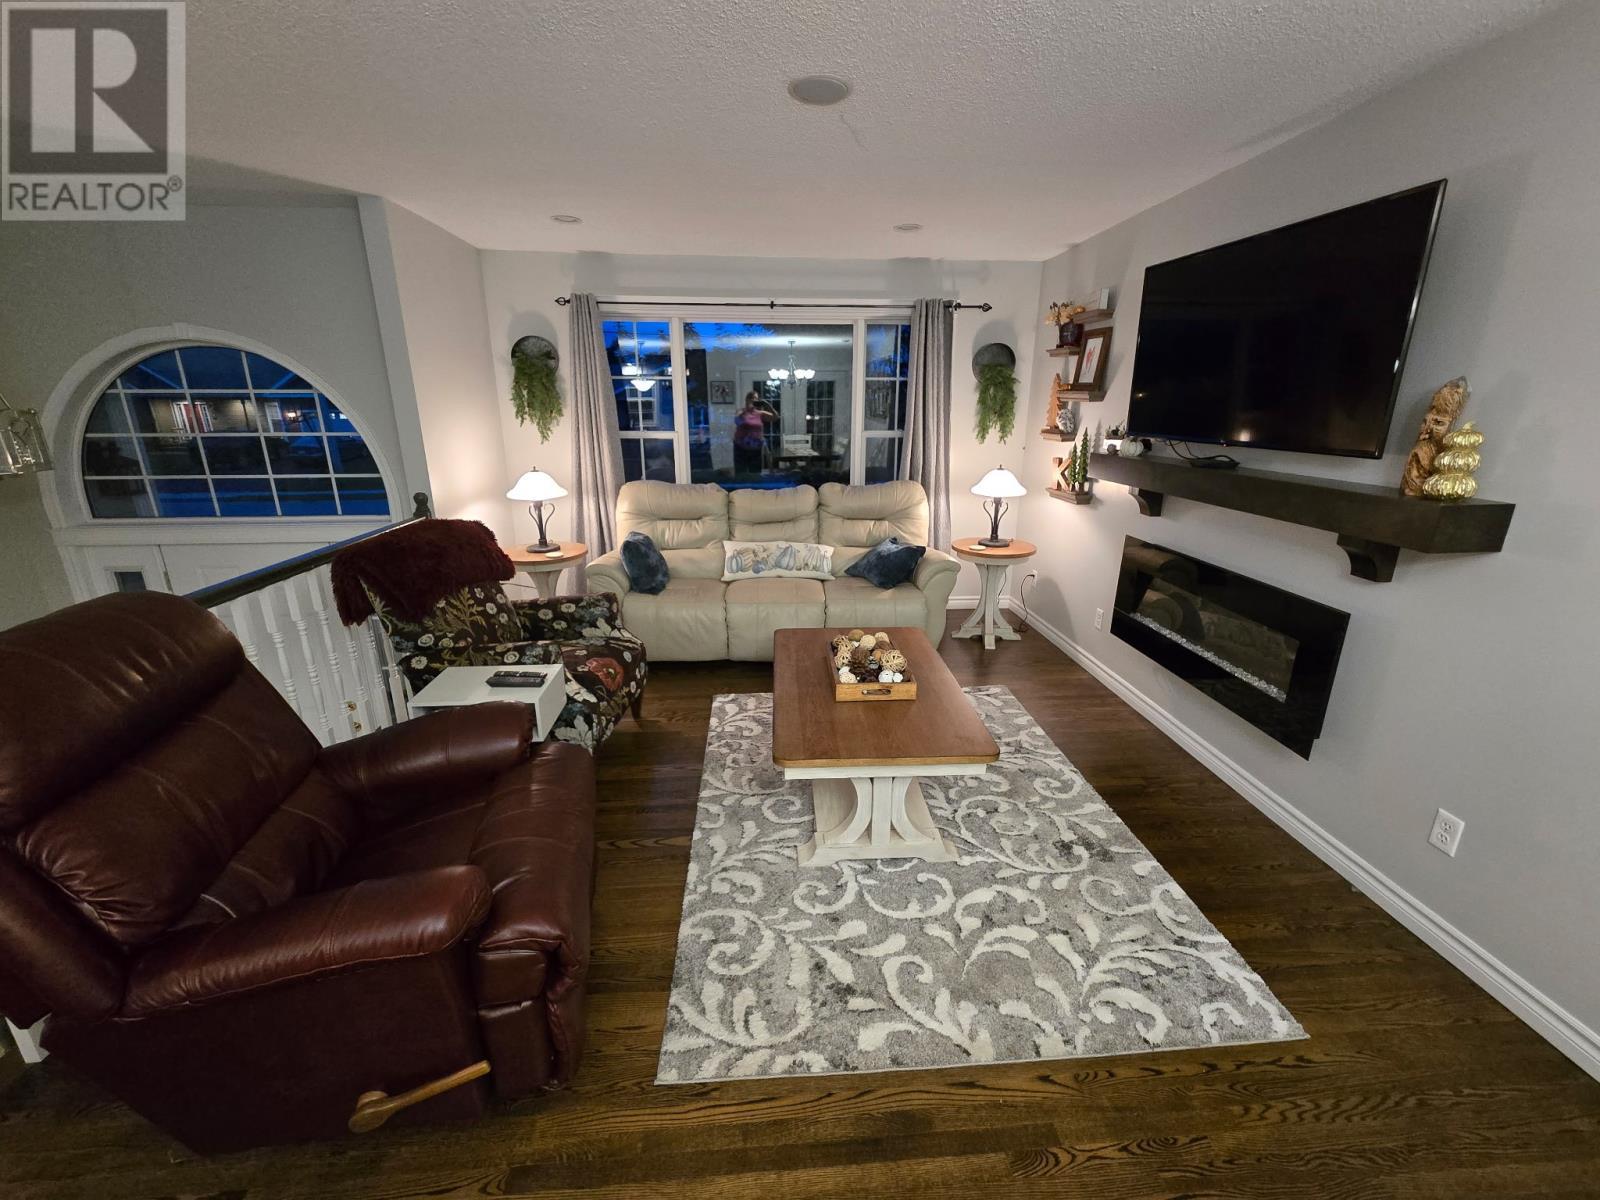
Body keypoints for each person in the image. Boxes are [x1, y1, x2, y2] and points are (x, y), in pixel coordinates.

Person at [734, 388, 776, 477]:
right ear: (747, 399)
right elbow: (737, 421)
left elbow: (775, 417)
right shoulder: (740, 411)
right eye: (751, 398)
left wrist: (767, 404)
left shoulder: (760, 413)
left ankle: (755, 490)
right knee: (741, 474)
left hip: (756, 448)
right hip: (741, 448)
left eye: (756, 398)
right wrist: (746, 409)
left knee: (755, 474)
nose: (754, 400)